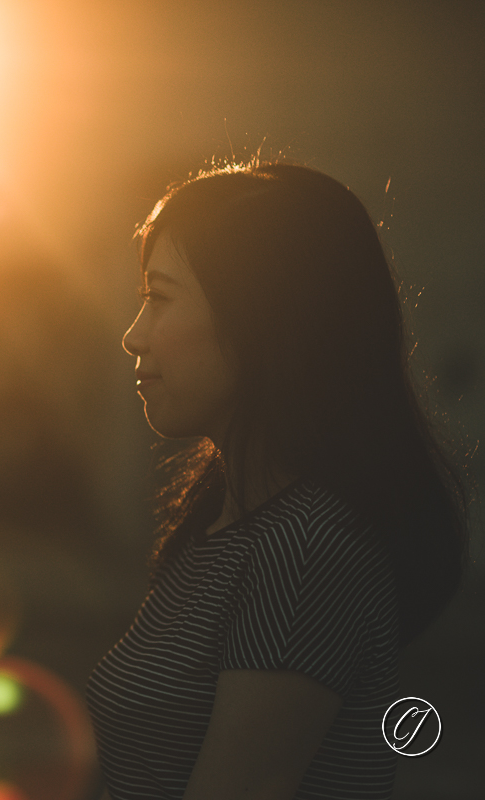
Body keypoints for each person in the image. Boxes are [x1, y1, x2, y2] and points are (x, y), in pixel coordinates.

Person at [85, 161, 470, 800]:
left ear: (258, 318)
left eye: (159, 297)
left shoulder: (308, 551)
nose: (133, 336)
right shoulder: (221, 527)